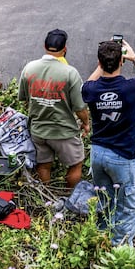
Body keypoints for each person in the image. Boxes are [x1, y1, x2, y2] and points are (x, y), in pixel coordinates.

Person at [82, 39, 135, 246]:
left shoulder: (91, 90)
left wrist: (102, 65)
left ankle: (100, 239)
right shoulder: (131, 87)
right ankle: (120, 248)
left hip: (98, 153)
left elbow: (86, 85)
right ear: (121, 62)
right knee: (128, 207)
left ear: (99, 62)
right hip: (123, 157)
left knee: (104, 200)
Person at [18, 29, 90, 187]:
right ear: (65, 49)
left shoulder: (29, 68)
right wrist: (86, 123)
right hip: (63, 131)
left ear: (45, 46)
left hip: (38, 130)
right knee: (76, 164)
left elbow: (24, 99)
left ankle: (47, 196)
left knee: (43, 164)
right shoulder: (70, 73)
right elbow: (80, 107)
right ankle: (69, 196)